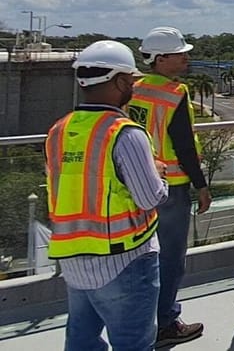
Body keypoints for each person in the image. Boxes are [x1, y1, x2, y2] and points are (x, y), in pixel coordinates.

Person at [46, 40, 168, 351]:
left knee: (81, 341)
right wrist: (160, 175)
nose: (133, 86)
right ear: (120, 81)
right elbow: (149, 198)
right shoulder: (124, 132)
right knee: (133, 343)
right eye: (131, 80)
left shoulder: (59, 130)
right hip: (125, 258)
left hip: (73, 258)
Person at [128, 26, 208, 347]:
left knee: (141, 254)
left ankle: (141, 322)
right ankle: (165, 322)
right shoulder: (175, 93)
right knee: (170, 258)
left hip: (137, 182)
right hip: (170, 185)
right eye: (179, 54)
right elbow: (184, 144)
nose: (186, 58)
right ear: (160, 59)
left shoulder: (134, 88)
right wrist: (201, 185)